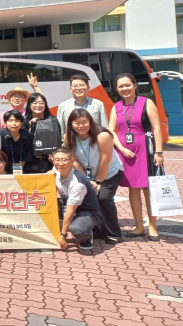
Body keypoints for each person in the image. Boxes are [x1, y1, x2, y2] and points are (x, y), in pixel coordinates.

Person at [109, 73, 164, 242]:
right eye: (121, 86)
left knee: (149, 189)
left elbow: (157, 128)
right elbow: (111, 130)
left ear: (134, 85)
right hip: (126, 153)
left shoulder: (146, 102)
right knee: (133, 189)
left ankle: (152, 227)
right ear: (117, 89)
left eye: (127, 85)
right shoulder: (116, 106)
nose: (124, 89)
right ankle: (139, 227)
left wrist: (159, 152)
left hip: (146, 151)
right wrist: (121, 149)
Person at [65, 108, 124, 244]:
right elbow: (75, 161)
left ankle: (113, 233)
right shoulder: (68, 136)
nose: (81, 126)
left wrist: (98, 181)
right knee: (89, 198)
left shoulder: (102, 135)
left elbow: (105, 161)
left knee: (103, 197)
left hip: (110, 171)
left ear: (91, 122)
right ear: (71, 124)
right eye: (76, 123)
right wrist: (88, 180)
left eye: (84, 122)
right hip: (86, 172)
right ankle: (96, 230)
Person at [52, 146, 103, 251]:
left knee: (77, 229)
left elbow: (70, 210)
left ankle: (87, 236)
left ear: (72, 161)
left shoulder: (78, 183)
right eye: (57, 160)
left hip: (87, 211)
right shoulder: (55, 170)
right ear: (53, 161)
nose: (60, 163)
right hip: (68, 204)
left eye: (64, 160)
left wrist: (63, 236)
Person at [24, 93, 60, 173]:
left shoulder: (54, 120)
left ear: (45, 104)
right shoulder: (24, 121)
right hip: (31, 163)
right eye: (35, 103)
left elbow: (59, 139)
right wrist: (30, 128)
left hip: (51, 161)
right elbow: (23, 143)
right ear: (29, 105)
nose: (38, 105)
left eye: (41, 103)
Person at [0, 110, 33, 174]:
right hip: (2, 170)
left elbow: (27, 154)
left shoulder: (28, 135)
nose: (14, 124)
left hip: (22, 170)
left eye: (17, 121)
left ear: (21, 123)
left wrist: (17, 171)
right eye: (10, 121)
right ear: (5, 123)